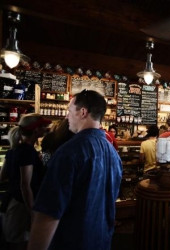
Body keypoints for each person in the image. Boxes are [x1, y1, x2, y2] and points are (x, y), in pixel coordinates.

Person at [28, 90, 122, 250]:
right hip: (101, 241)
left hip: (71, 242)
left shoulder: (69, 152)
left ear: (83, 112)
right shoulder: (113, 154)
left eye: (70, 111)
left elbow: (48, 214)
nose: (66, 116)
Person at [0, 113, 51, 250]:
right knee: (20, 245)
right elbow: (25, 185)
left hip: (10, 202)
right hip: (20, 207)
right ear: (35, 130)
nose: (46, 129)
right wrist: (32, 212)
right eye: (43, 126)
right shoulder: (27, 152)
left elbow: (2, 176)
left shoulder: (14, 149)